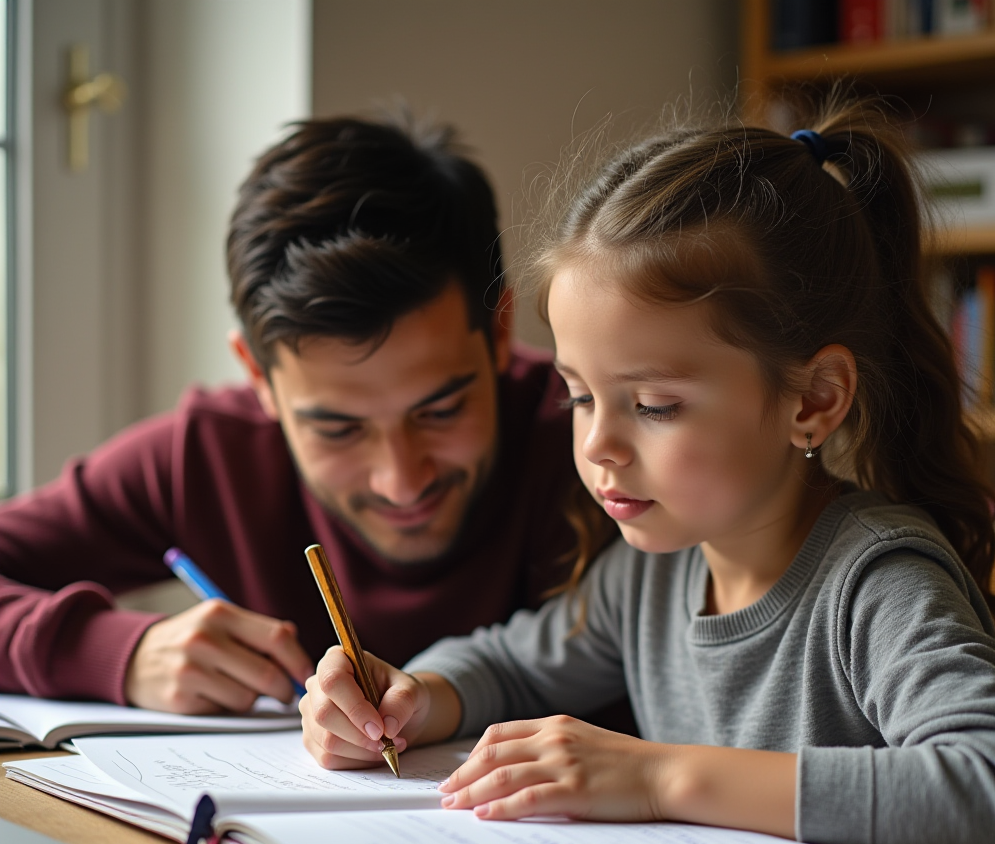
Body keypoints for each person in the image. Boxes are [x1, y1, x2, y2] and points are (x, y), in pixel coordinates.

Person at [300, 99, 995, 844]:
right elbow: (508, 665)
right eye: (579, 397)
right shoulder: (654, 573)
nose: (598, 445)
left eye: (653, 406)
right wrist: (411, 700)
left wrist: (658, 778)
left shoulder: (876, 580)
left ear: (814, 398)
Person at [0, 114, 598, 716]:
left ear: (499, 329)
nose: (401, 479)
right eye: (337, 428)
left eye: (440, 411)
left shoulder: (604, 439)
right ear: (257, 376)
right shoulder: (207, 456)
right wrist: (112, 652)